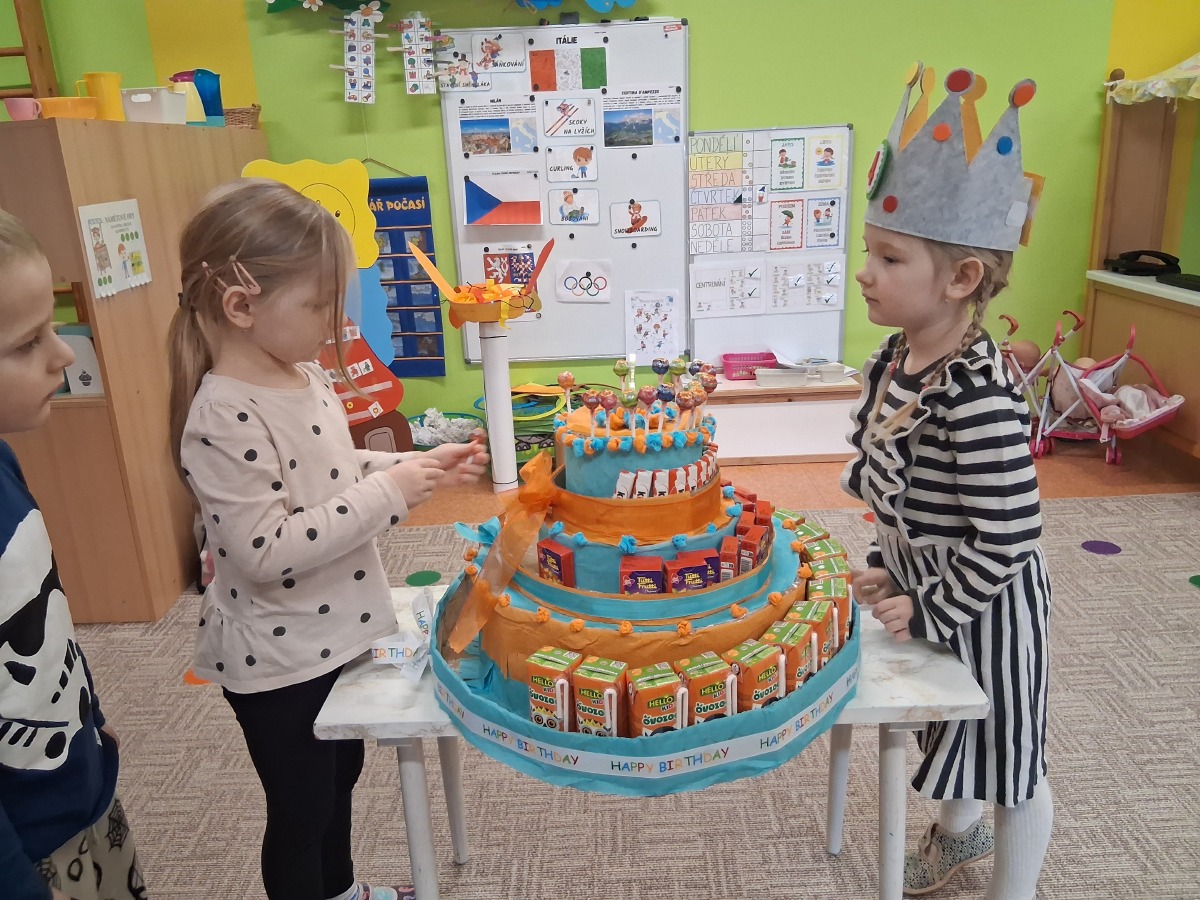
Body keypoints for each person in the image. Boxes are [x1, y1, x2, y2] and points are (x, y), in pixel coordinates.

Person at [167, 180, 488, 900]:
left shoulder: (304, 376)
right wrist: (388, 492)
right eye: (319, 305)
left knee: (342, 775)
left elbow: (329, 474)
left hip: (335, 630)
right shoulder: (222, 417)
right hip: (277, 657)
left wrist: (411, 468)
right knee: (302, 808)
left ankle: (340, 890)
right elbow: (265, 549)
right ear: (241, 307)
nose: (337, 322)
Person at [841, 64, 1052, 899]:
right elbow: (899, 482)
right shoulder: (897, 357)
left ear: (961, 279)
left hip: (988, 602)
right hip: (926, 581)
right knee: (951, 729)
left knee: (1008, 755)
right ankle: (958, 839)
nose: (865, 271)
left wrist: (932, 604)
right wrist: (891, 567)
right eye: (869, 252)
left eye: (889, 257)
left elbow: (1010, 534)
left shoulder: (978, 397)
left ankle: (1013, 889)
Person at [0, 210, 146, 899]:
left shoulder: (4, 461)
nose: (63, 355)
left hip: (79, 787)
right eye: (27, 342)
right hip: (26, 848)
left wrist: (90, 710)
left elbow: (43, 607)